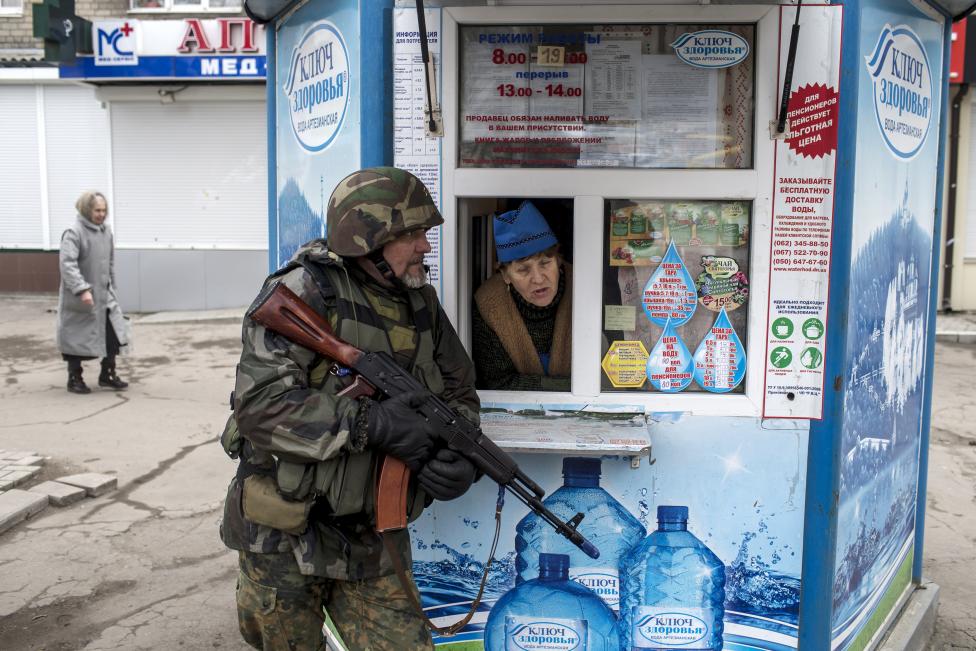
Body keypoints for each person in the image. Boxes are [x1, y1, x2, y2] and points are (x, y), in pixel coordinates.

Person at [219, 167, 481, 651]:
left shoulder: (419, 302)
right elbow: (260, 407)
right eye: (414, 234)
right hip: (284, 535)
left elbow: (459, 394)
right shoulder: (304, 293)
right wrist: (371, 422)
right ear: (370, 239)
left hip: (372, 538)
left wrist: (460, 458)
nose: (426, 246)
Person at [472, 201, 571, 391]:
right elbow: (499, 382)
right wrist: (569, 387)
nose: (538, 279)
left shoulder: (585, 288)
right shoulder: (489, 304)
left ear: (558, 261)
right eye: (523, 269)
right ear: (505, 275)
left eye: (545, 263)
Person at [56, 191, 129, 394]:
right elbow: (67, 264)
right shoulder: (74, 232)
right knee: (76, 340)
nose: (101, 214)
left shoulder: (106, 231)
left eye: (104, 210)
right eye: (97, 210)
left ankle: (107, 374)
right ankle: (75, 378)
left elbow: (110, 262)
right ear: (86, 209)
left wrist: (111, 287)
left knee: (112, 336)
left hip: (104, 297)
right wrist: (82, 289)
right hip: (82, 298)